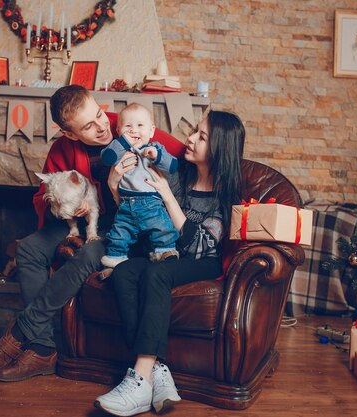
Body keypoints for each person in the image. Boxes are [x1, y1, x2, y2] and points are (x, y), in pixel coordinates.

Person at [0, 85, 183, 382]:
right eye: (89, 125)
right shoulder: (62, 149)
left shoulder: (126, 123)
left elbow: (183, 153)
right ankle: (42, 346)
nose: (102, 126)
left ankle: (24, 329)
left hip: (125, 226)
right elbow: (42, 198)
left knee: (90, 252)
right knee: (28, 249)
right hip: (81, 222)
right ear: (70, 134)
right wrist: (62, 206)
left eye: (100, 114)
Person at [94, 110, 245, 416]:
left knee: (156, 273)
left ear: (219, 147)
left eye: (201, 136)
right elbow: (138, 215)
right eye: (195, 132)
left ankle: (139, 376)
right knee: (122, 271)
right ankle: (157, 372)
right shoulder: (177, 174)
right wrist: (114, 187)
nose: (189, 139)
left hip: (203, 263)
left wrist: (167, 196)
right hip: (164, 257)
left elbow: (202, 246)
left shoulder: (226, 196)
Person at [100, 103, 179, 268]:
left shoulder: (155, 148)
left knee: (162, 228)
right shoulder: (118, 149)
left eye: (140, 126)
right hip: (126, 205)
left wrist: (157, 156)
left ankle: (165, 252)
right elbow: (107, 158)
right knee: (118, 234)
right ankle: (114, 260)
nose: (134, 131)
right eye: (128, 126)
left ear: (151, 131)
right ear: (119, 131)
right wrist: (122, 142)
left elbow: (172, 166)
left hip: (151, 203)